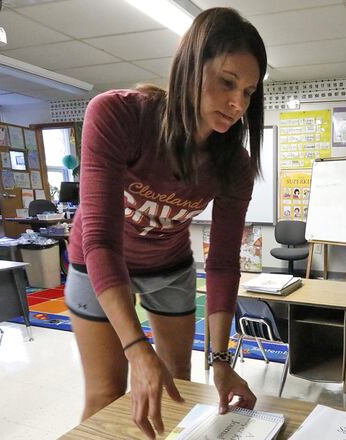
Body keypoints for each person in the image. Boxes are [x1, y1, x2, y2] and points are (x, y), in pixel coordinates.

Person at [63, 8, 266, 439]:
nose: (238, 104)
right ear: (190, 65)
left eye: (248, 92)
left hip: (168, 268)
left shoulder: (233, 165)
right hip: (95, 262)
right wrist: (137, 350)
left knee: (177, 385)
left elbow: (224, 263)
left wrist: (220, 360)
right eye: (227, 82)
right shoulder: (119, 115)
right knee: (106, 395)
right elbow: (100, 240)